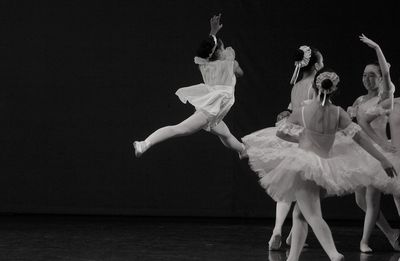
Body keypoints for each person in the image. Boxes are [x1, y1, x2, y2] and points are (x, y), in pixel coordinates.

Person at [247, 68, 398, 261]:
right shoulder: (338, 113)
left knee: (312, 215)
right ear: (334, 90)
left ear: (315, 87)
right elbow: (361, 139)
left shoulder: (302, 111)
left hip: (304, 167)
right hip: (324, 169)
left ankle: (333, 254)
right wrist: (383, 159)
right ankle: (292, 258)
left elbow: (281, 133)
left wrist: (301, 138)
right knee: (300, 214)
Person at [242, 45, 324, 250]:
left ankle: (279, 231)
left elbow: (292, 108)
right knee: (304, 190)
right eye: (321, 61)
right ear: (315, 65)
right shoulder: (315, 84)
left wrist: (286, 114)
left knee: (288, 188)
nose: (323, 65)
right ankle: (291, 236)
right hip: (305, 136)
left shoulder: (296, 85)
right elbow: (316, 112)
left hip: (291, 135)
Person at [133, 14, 245, 158]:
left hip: (213, 107)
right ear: (219, 52)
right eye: (222, 48)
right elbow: (240, 73)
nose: (225, 50)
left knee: (226, 134)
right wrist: (233, 69)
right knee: (180, 129)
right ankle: (144, 143)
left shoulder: (204, 64)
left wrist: (213, 33)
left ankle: (242, 150)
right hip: (211, 108)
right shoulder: (230, 64)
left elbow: (206, 49)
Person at [347, 34, 400, 253]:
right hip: (360, 151)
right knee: (361, 201)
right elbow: (352, 123)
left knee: (371, 200)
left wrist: (377, 47)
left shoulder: (385, 95)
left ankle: (365, 241)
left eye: (372, 75)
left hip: (377, 152)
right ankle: (390, 233)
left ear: (379, 78)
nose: (367, 79)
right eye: (364, 75)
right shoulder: (360, 100)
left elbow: (387, 74)